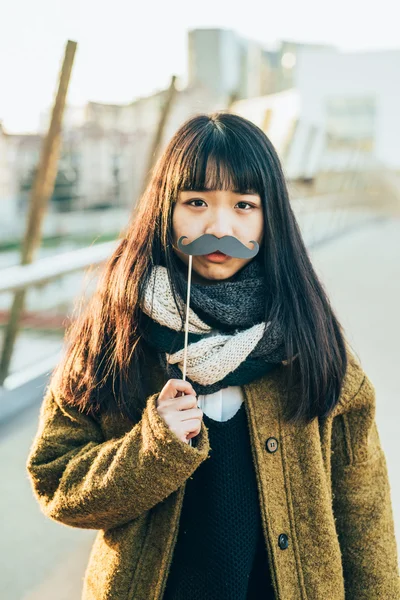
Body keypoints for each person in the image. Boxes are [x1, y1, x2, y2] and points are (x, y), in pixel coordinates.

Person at [26, 112, 400, 600]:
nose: (219, 225)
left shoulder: (311, 340)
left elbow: (363, 512)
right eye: (196, 201)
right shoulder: (114, 334)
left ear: (272, 217)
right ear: (165, 209)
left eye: (244, 204)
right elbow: (55, 480)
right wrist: (152, 447)